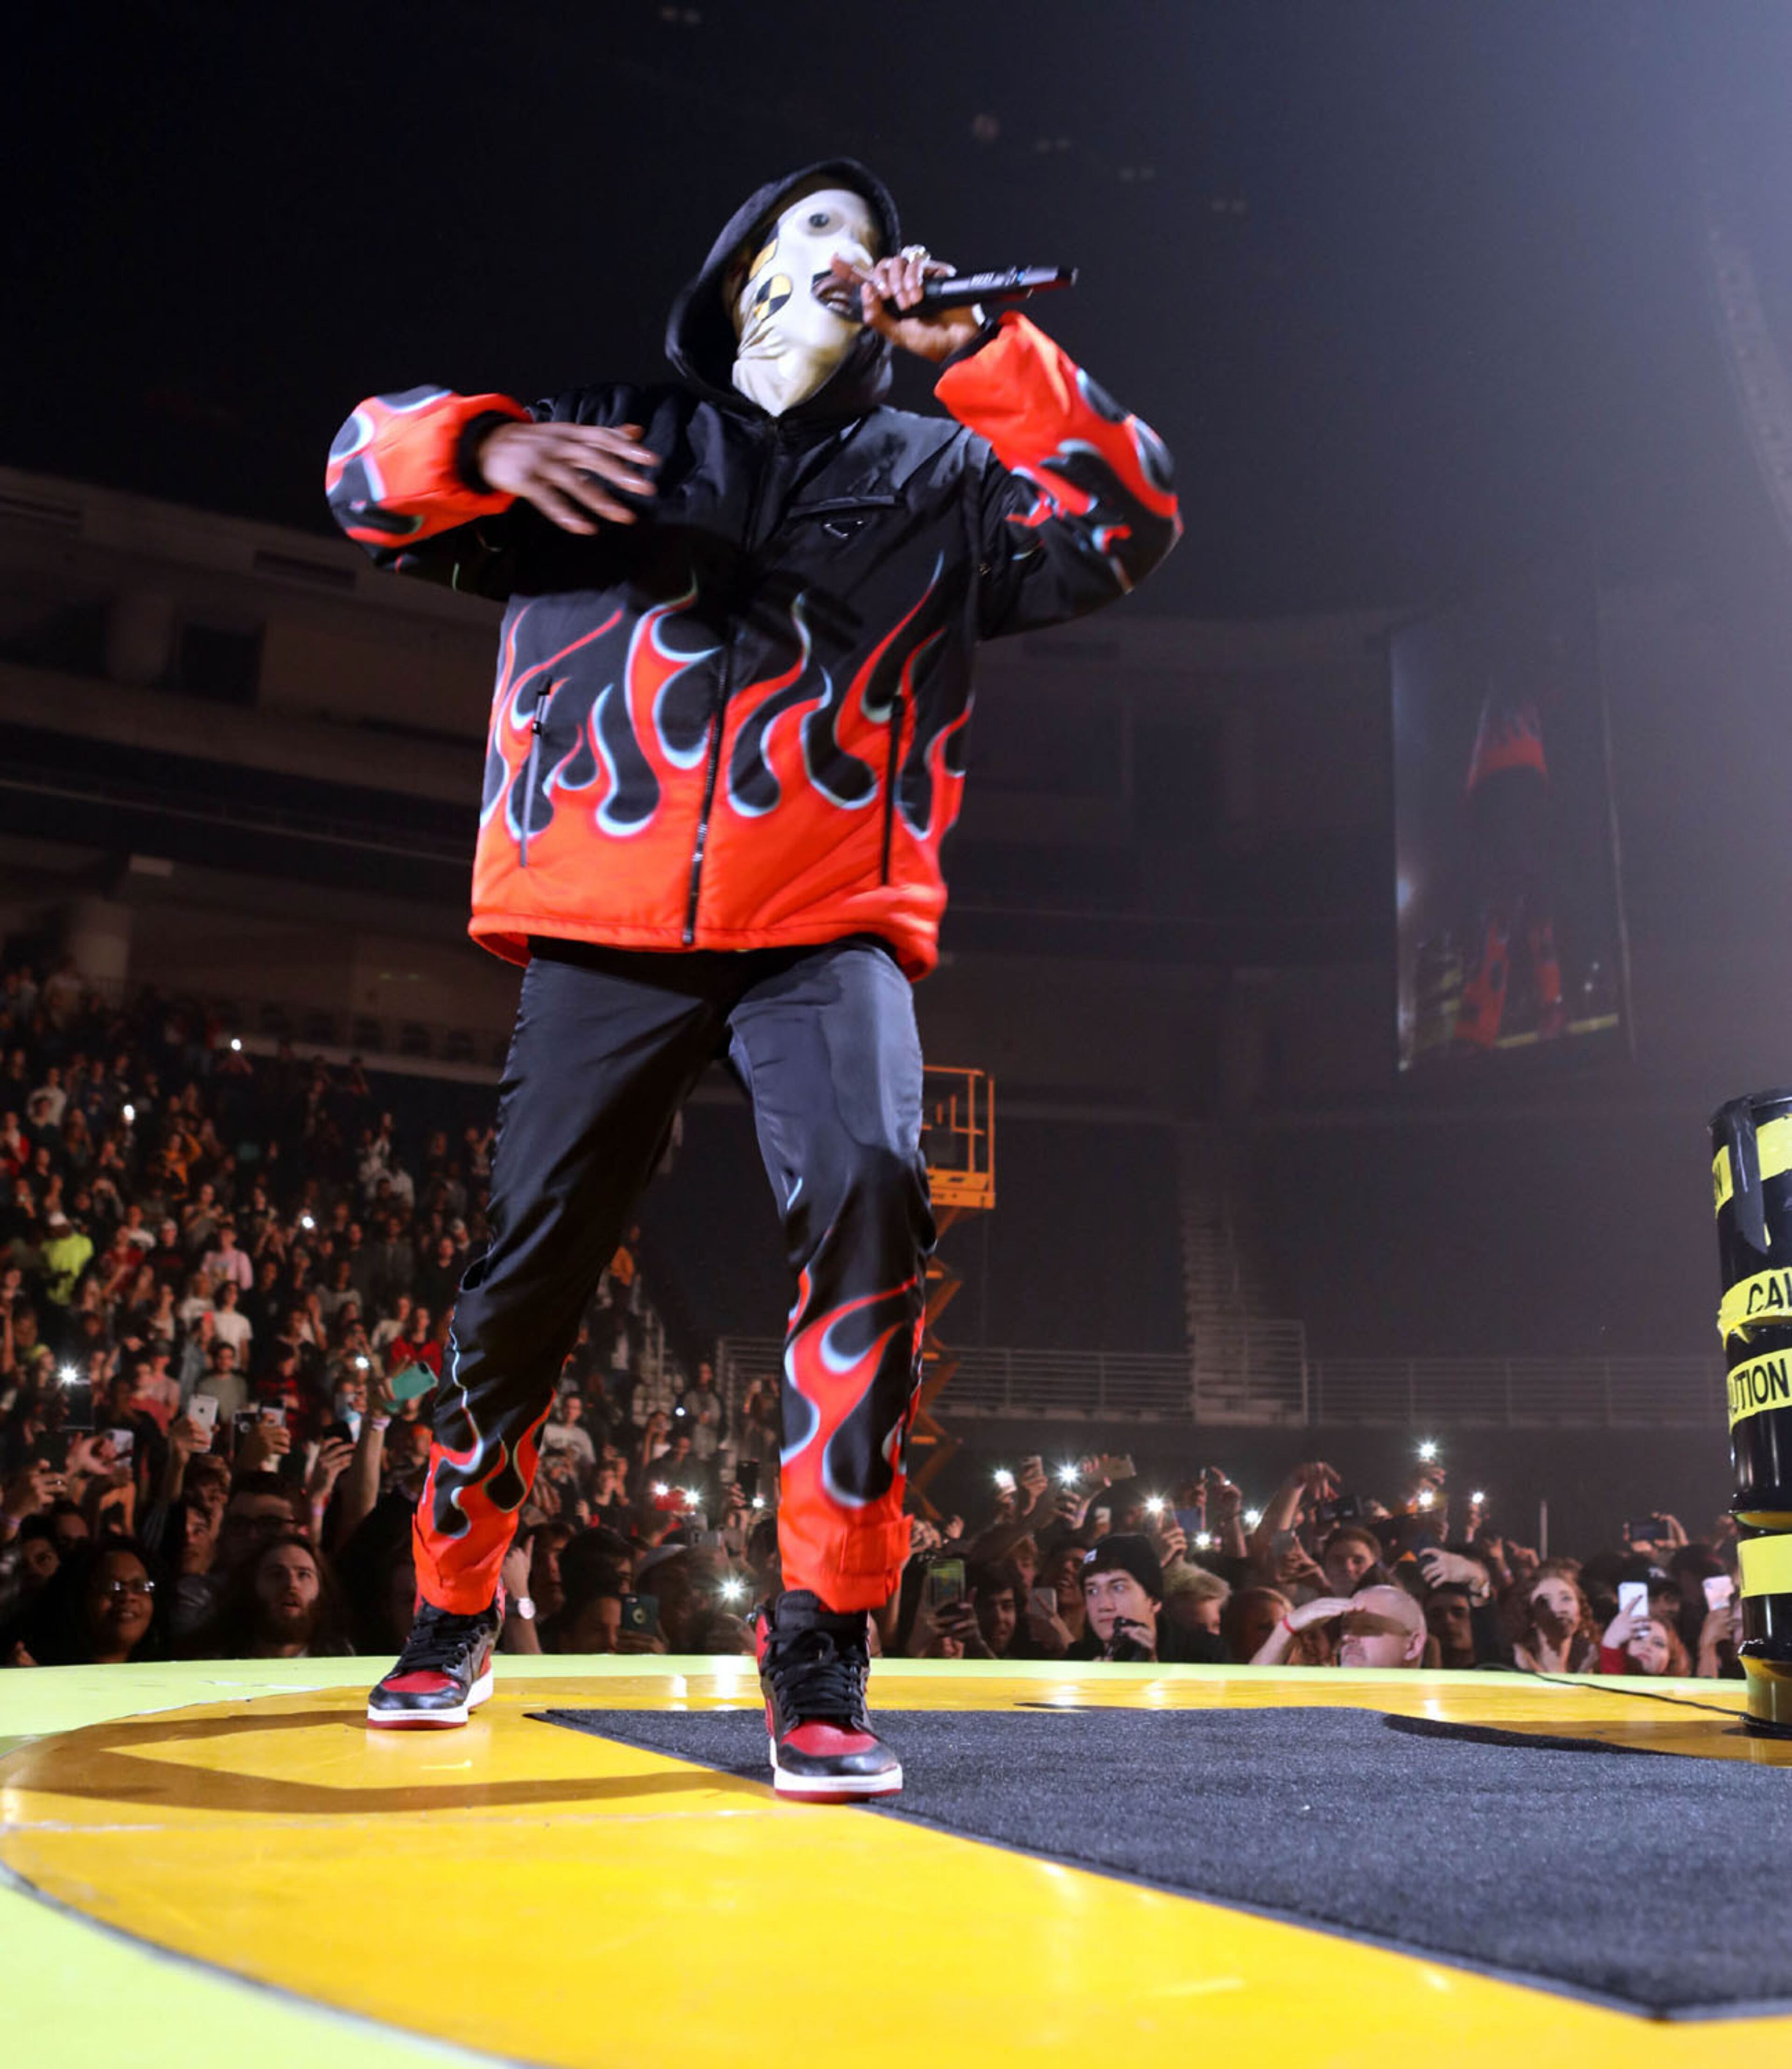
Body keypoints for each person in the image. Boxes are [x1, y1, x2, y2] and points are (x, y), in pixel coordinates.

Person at [326, 158, 1177, 1796]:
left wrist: (980, 354)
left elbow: (1127, 518)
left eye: (863, 237)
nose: (840, 258)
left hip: (827, 914)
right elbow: (363, 476)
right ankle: (447, 1605)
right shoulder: (613, 436)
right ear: (735, 283)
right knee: (528, 1272)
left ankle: (820, 1650)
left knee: (871, 1195)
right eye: (805, 233)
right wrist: (482, 444)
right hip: (607, 922)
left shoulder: (940, 469)